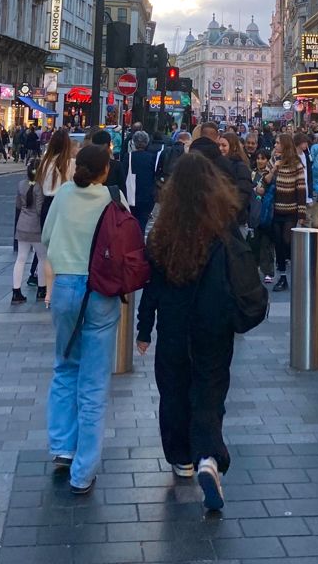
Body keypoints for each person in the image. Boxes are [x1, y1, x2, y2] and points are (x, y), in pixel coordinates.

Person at [137, 151, 242, 510]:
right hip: (213, 324)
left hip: (172, 323)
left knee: (174, 389)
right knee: (210, 391)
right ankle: (209, 456)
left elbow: (151, 285)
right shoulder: (222, 226)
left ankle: (181, 456)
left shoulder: (164, 230)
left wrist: (144, 327)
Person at [42, 143, 124, 494]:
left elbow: (46, 236)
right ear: (104, 170)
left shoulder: (62, 194)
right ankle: (83, 471)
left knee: (65, 367)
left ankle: (62, 447)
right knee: (93, 381)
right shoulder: (111, 199)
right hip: (101, 289)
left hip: (65, 286)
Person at [27, 127, 78, 288]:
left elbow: (40, 186)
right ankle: (58, 283)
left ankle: (45, 287)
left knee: (48, 249)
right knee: (64, 247)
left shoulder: (45, 163)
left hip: (47, 205)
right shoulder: (71, 163)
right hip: (65, 204)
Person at [261, 133, 307, 293]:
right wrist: (274, 168)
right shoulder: (274, 161)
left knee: (288, 242)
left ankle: (297, 270)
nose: (275, 146)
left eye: (278, 143)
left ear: (285, 145)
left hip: (291, 211)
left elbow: (301, 189)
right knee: (278, 244)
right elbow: (264, 182)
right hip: (275, 210)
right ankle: (282, 277)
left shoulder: (297, 164)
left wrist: (302, 215)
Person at [12, 162, 47, 304]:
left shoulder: (21, 184)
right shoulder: (40, 187)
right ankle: (41, 289)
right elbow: (39, 209)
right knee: (42, 258)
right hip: (36, 227)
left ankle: (16, 291)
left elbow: (18, 205)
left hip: (22, 224)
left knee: (21, 258)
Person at [122, 129, 158, 232]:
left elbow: (124, 175)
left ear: (133, 142)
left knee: (131, 223)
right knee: (142, 223)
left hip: (131, 195)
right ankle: (140, 243)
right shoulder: (152, 158)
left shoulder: (128, 157)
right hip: (147, 195)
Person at [251, 147, 275, 281]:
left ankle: (268, 271)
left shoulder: (270, 174)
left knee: (266, 243)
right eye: (258, 158)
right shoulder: (252, 173)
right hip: (254, 211)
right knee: (254, 241)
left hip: (267, 211)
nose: (260, 161)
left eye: (263, 158)